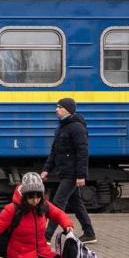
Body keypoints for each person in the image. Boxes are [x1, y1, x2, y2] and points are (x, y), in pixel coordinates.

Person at [41, 97, 96, 244]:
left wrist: (80, 175)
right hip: (64, 171)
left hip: (72, 174)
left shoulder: (77, 128)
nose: (56, 109)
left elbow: (82, 152)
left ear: (68, 109)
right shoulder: (61, 127)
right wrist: (46, 169)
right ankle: (89, 233)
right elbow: (54, 151)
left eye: (59, 107)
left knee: (58, 203)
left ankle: (46, 237)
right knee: (76, 203)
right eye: (57, 106)